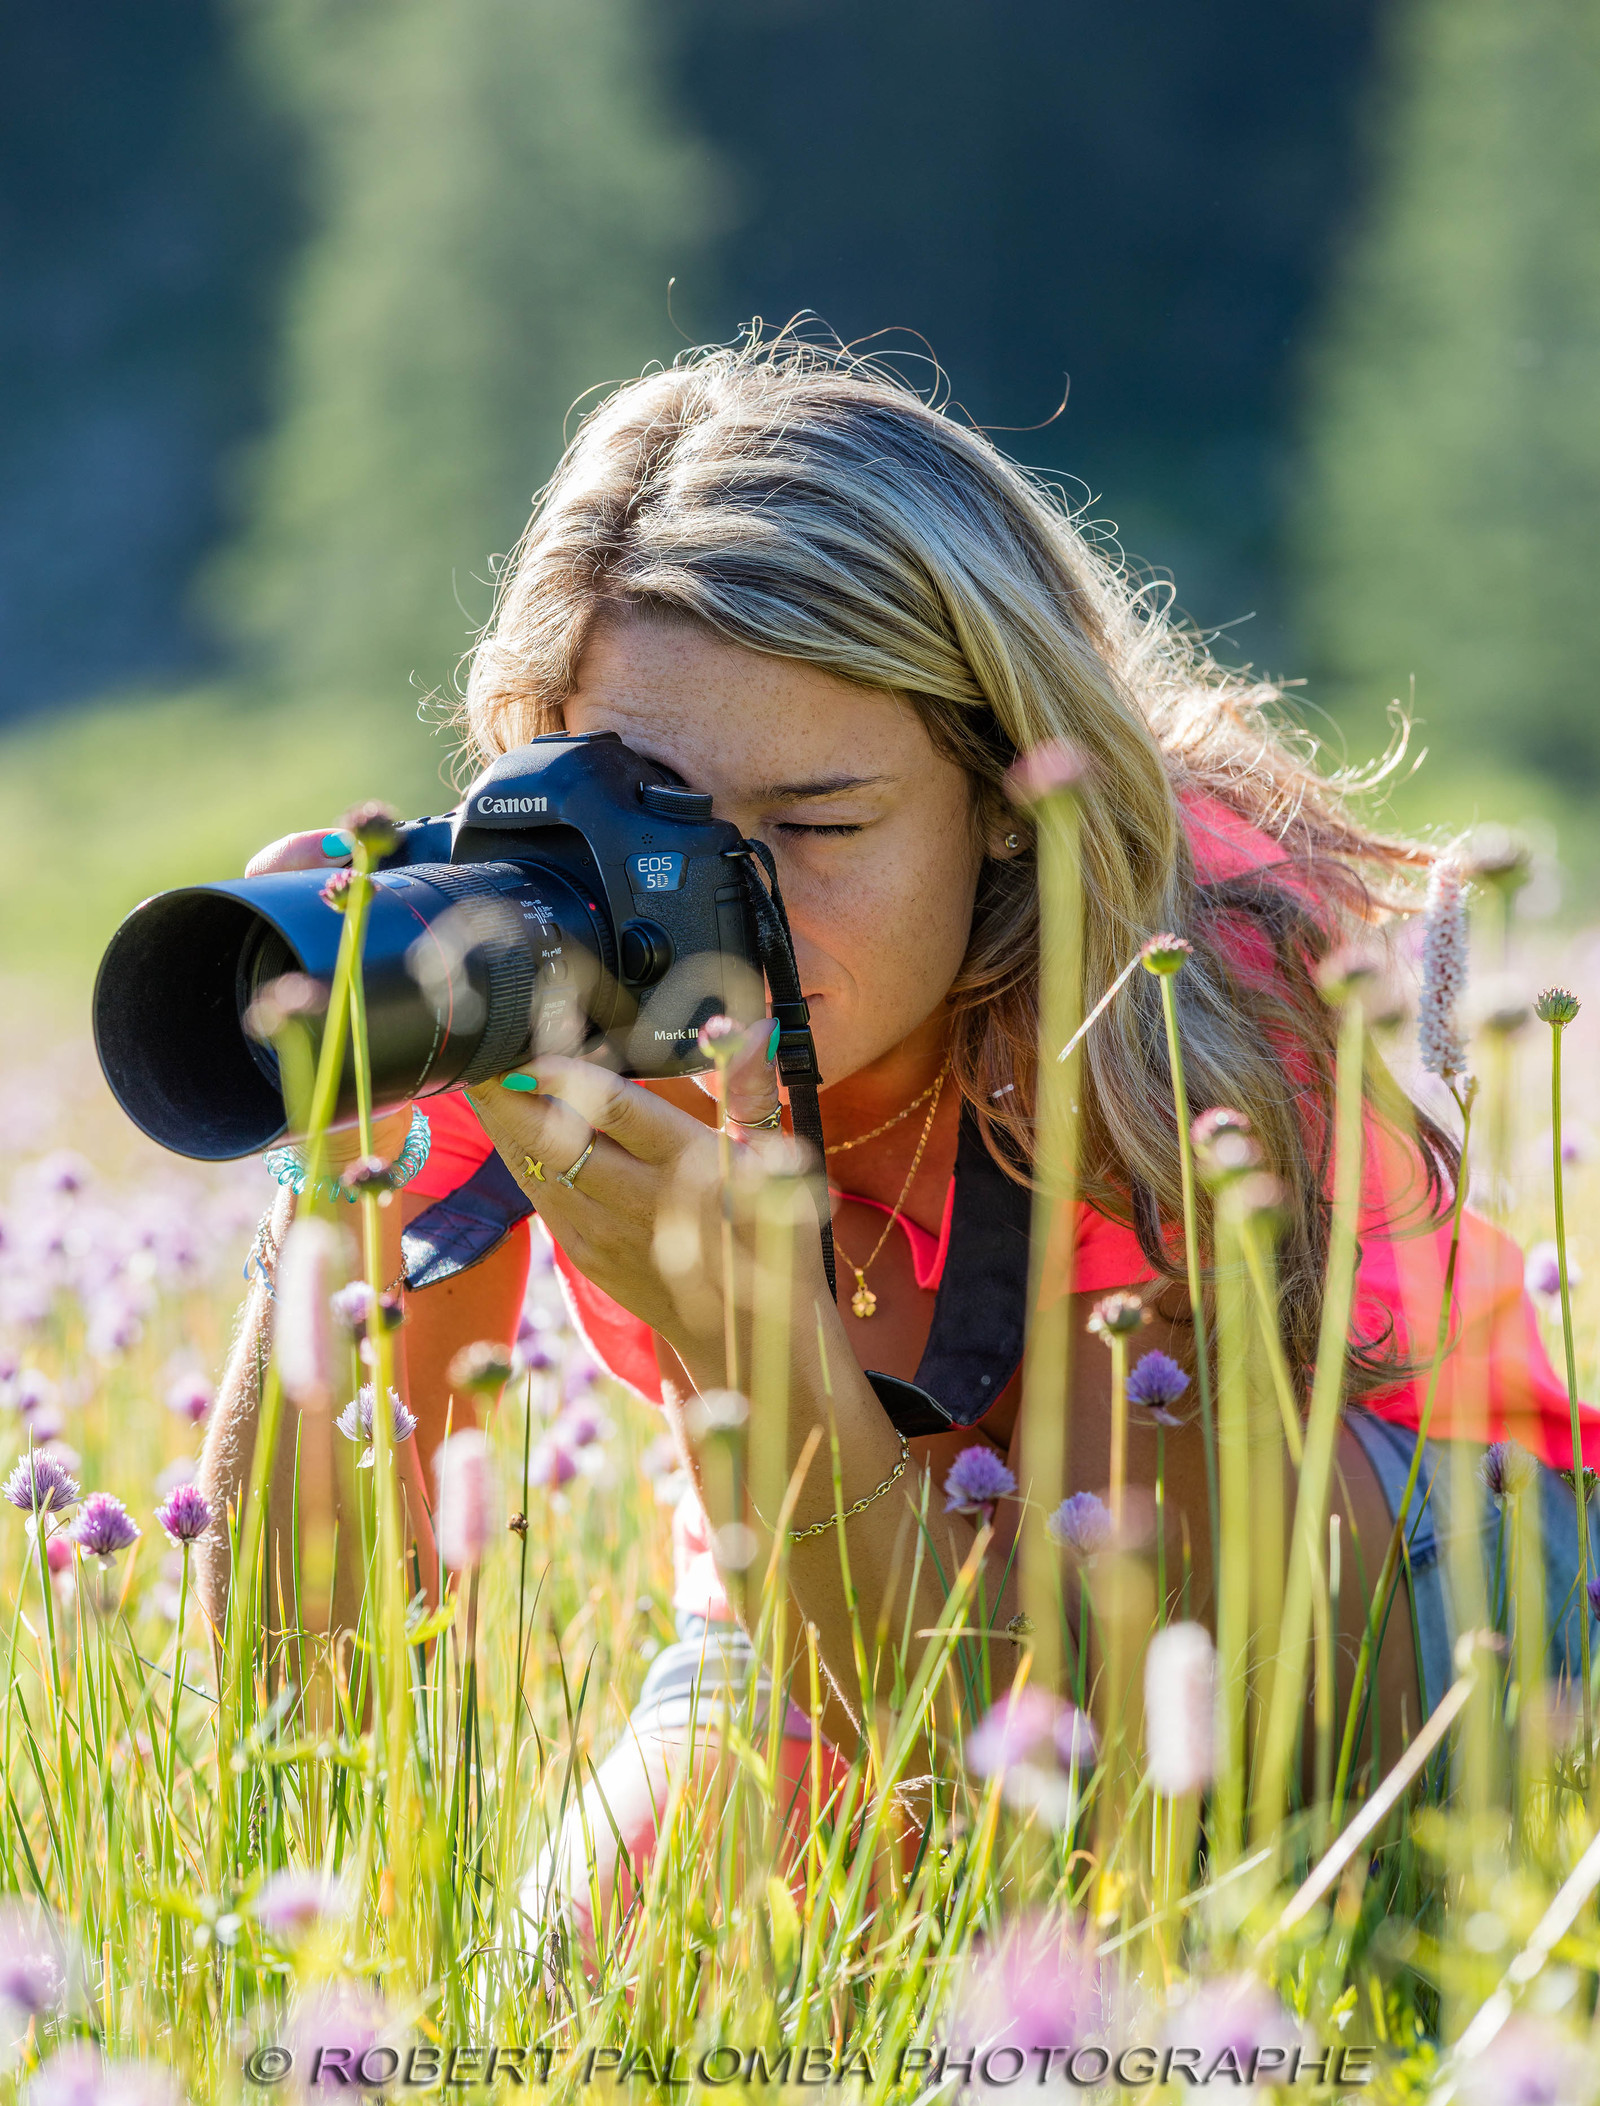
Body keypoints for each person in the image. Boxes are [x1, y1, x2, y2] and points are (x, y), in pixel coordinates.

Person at [198, 339, 1596, 1942]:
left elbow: (1060, 1805)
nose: (731, 910)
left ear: (1005, 791)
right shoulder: (515, 946)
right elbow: (298, 1687)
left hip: (1408, 1561)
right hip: (817, 1582)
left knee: (1143, 1926)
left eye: (814, 826)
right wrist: (338, 1148)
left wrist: (745, 1330)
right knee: (578, 2001)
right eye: (647, 817)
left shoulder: (1167, 977)